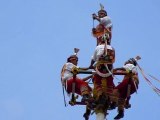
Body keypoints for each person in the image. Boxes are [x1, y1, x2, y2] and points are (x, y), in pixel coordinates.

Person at [88, 37, 115, 109]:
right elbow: (114, 59)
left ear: (101, 41)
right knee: (110, 84)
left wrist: (91, 66)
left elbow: (93, 59)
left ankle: (101, 95)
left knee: (97, 82)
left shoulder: (98, 47)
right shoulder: (112, 48)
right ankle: (110, 98)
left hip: (100, 68)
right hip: (109, 69)